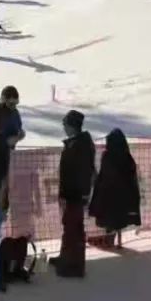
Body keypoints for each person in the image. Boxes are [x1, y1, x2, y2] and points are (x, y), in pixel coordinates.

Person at [51, 110, 95, 278]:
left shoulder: (80, 146)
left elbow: (84, 172)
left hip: (75, 194)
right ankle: (66, 257)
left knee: (73, 229)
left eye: (65, 124)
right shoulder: (76, 143)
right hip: (71, 192)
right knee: (69, 227)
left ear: (72, 126)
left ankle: (74, 265)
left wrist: (83, 193)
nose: (64, 127)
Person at [88, 128, 141, 246]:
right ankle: (116, 240)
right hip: (124, 195)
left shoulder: (108, 156)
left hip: (109, 194)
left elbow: (105, 174)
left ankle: (109, 239)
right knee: (118, 218)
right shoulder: (127, 157)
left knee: (109, 217)